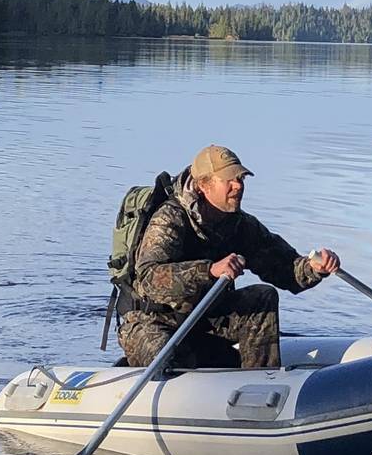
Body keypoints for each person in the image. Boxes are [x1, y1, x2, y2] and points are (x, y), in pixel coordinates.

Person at [118, 144, 340, 372]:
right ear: (204, 185)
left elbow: (284, 267)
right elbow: (149, 279)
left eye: (241, 179)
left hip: (206, 318)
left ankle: (263, 383)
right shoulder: (169, 220)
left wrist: (314, 268)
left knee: (262, 297)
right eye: (229, 180)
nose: (238, 186)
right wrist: (209, 270)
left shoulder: (240, 224)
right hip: (155, 320)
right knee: (168, 361)